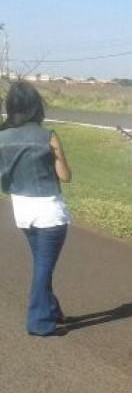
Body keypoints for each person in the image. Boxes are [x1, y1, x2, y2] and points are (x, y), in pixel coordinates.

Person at [0, 81, 73, 337]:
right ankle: (39, 321)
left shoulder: (2, 138)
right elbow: (65, 176)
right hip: (50, 212)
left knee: (43, 264)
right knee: (43, 267)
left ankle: (51, 308)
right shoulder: (48, 136)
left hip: (23, 211)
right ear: (35, 107)